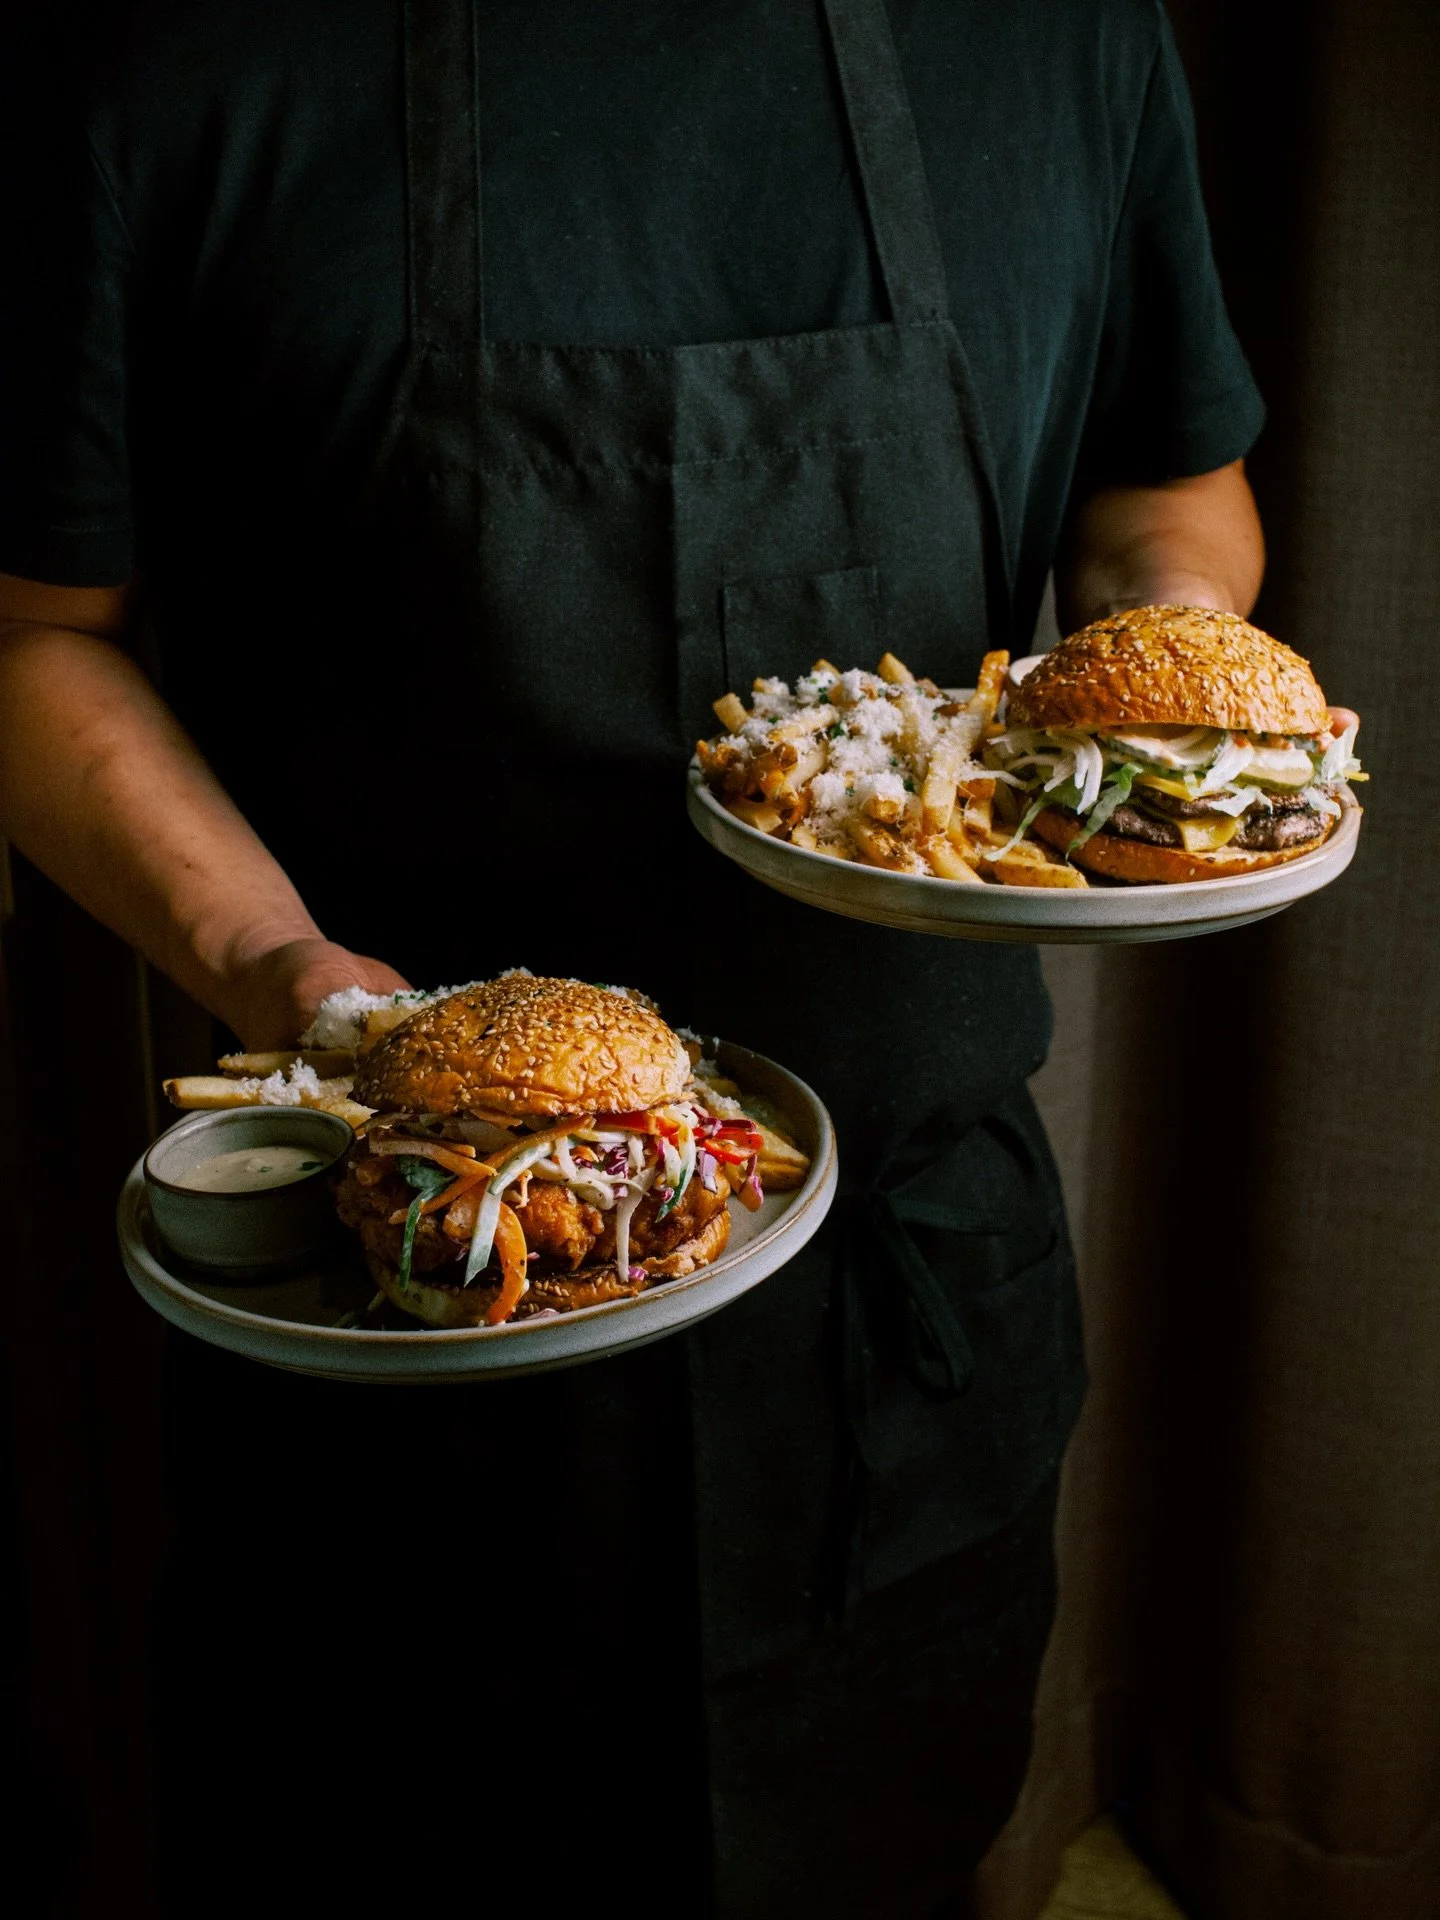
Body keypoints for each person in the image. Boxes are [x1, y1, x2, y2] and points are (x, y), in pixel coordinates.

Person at [0, 2, 1265, 1913]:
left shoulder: (1063, 33)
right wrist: (284, 969)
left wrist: (1153, 695)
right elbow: (34, 632)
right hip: (385, 1295)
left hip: (904, 1322)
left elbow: (1165, 494)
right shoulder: (166, 57)